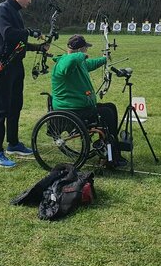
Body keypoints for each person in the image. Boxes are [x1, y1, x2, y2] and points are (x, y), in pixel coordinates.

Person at [0, 0, 47, 168]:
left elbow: (19, 43)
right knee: (1, 109)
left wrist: (38, 47)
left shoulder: (16, 13)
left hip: (16, 66)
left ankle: (13, 144)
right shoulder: (2, 9)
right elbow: (9, 34)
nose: (30, 1)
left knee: (15, 106)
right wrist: (29, 32)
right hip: (3, 66)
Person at [51, 34, 126, 167]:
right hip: (71, 110)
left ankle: (112, 150)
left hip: (80, 107)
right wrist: (80, 55)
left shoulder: (78, 63)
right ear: (80, 49)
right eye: (85, 48)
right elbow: (67, 64)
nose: (87, 51)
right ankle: (111, 155)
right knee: (107, 113)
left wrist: (104, 59)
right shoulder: (64, 62)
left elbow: (89, 64)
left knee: (110, 107)